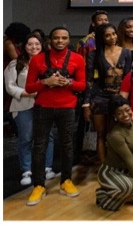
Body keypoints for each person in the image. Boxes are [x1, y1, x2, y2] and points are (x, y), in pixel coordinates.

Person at [25, 27, 86, 206]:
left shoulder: (77, 58)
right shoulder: (37, 59)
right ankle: (38, 185)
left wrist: (68, 82)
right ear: (50, 40)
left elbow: (82, 86)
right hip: (43, 107)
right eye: (56, 38)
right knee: (40, 146)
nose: (60, 41)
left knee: (67, 145)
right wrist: (45, 82)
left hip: (67, 108)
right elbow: (29, 87)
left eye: (64, 38)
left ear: (68, 40)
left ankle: (66, 180)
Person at [5, 34, 57, 186]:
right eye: (30, 44)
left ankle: (47, 167)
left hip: (45, 105)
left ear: (42, 46)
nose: (33, 47)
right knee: (26, 138)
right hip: (23, 105)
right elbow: (10, 86)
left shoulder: (49, 62)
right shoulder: (15, 64)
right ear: (24, 47)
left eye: (37, 44)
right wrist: (29, 93)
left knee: (48, 137)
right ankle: (26, 170)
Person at [83, 24, 133, 163]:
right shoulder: (94, 54)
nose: (112, 37)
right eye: (108, 35)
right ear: (101, 38)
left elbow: (128, 78)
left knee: (116, 133)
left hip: (119, 97)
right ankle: (104, 166)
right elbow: (89, 80)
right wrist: (86, 103)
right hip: (100, 96)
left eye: (114, 34)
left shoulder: (126, 53)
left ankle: (115, 163)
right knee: (101, 133)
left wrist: (126, 100)